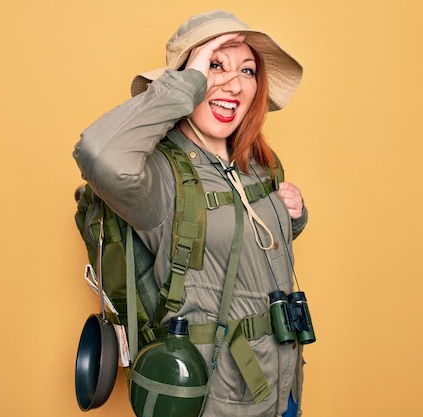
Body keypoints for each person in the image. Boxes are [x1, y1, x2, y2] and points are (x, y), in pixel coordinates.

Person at [74, 10, 309, 417]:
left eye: (248, 70)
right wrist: (187, 83)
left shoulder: (257, 163)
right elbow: (99, 156)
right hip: (216, 398)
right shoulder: (159, 176)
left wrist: (295, 216)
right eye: (215, 64)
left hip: (283, 386)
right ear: (187, 77)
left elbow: (248, 246)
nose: (233, 84)